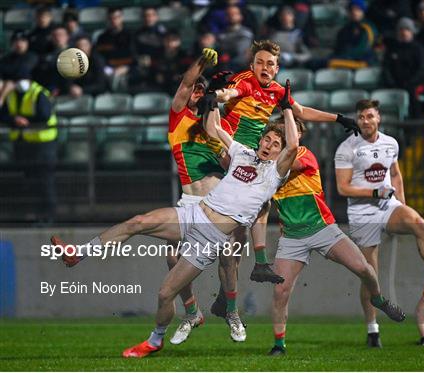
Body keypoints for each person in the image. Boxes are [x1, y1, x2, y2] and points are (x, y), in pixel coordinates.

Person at [51, 78, 299, 358]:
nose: (268, 144)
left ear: (280, 152)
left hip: (210, 238)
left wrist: (287, 107)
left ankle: (156, 340)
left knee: (165, 294)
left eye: (274, 143)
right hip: (193, 212)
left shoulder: (274, 174)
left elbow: (293, 145)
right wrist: (212, 96)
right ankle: (78, 254)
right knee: (138, 221)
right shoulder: (243, 153)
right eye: (267, 138)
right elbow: (214, 128)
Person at [53, 48, 244, 345]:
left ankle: (231, 312)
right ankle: (80, 254)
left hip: (218, 207)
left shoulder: (220, 127)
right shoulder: (178, 119)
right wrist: (202, 63)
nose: (195, 93)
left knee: (228, 260)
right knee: (166, 252)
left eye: (201, 91)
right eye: (194, 89)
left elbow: (233, 164)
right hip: (189, 204)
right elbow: (184, 85)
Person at [213, 39, 359, 284]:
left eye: (270, 63)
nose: (264, 67)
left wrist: (339, 118)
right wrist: (216, 93)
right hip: (227, 148)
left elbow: (300, 111)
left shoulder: (278, 92)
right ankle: (259, 263)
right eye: (259, 62)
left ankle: (228, 297)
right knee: (261, 200)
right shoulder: (246, 80)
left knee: (239, 239)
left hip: (250, 154)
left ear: (277, 68)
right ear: (252, 65)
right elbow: (230, 93)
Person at [269, 117, 405, 356]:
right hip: (291, 235)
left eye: (295, 131)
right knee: (280, 291)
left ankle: (378, 298)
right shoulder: (270, 163)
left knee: (364, 269)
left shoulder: (303, 154)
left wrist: (257, 159)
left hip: (322, 228)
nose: (292, 135)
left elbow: (287, 165)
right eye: (286, 131)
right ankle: (279, 344)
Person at [334, 99, 424, 348]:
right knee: (370, 275)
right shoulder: (346, 148)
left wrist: (402, 205)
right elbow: (342, 187)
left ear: (378, 117)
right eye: (361, 117)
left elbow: (395, 174)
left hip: (387, 206)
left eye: (370, 116)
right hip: (362, 213)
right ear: (357, 120)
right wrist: (373, 194)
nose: (366, 121)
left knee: (419, 223)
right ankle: (373, 331)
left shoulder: (391, 143)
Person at [0, 70, 58, 223]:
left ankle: (48, 216)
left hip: (43, 145)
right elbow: (4, 114)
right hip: (24, 145)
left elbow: (44, 116)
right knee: (30, 182)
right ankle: (33, 215)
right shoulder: (11, 96)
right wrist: (14, 119)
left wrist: (25, 120)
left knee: (44, 181)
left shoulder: (38, 93)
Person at [382, 17, 424, 118]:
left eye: (407, 29)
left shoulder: (418, 48)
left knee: (413, 96)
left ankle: (413, 126)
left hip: (413, 84)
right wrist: (391, 82)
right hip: (394, 84)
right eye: (401, 29)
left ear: (412, 32)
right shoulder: (392, 48)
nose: (404, 32)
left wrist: (410, 82)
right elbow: (386, 68)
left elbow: (421, 69)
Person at [332, 0, 378, 67]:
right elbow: (337, 49)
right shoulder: (344, 30)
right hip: (344, 59)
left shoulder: (368, 28)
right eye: (351, 9)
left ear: (363, 11)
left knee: (329, 62)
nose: (354, 12)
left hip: (363, 62)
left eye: (358, 9)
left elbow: (362, 50)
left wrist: (342, 55)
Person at [0, 31, 39, 107]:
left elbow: (23, 72)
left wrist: (10, 75)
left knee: (22, 84)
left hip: (26, 83)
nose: (19, 44)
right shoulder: (8, 57)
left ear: (27, 43)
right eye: (16, 41)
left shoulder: (32, 56)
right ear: (12, 43)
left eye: (23, 41)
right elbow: (2, 70)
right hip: (9, 83)